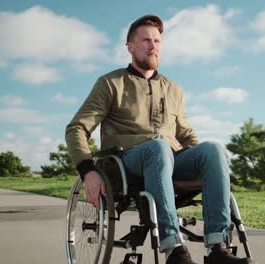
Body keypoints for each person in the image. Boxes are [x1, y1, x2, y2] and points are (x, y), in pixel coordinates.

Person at [65, 14, 252, 264]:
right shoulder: (111, 83)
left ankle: (218, 247)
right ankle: (173, 248)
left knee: (214, 150)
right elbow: (76, 127)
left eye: (157, 41)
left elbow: (186, 134)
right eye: (146, 40)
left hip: (170, 159)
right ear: (130, 47)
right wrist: (88, 171)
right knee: (158, 148)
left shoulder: (173, 89)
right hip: (129, 161)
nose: (153, 45)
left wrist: (209, 168)